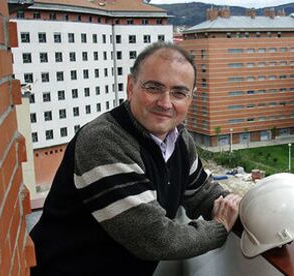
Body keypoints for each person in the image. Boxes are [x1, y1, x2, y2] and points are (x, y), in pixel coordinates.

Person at [30, 42, 240, 275]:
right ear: (130, 86)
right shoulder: (103, 141)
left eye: (179, 93)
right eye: (153, 88)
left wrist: (242, 208)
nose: (165, 103)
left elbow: (199, 191)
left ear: (190, 98)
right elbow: (154, 238)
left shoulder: (180, 139)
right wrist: (219, 228)